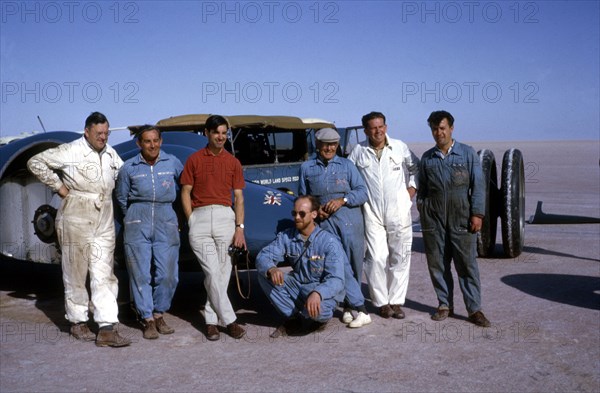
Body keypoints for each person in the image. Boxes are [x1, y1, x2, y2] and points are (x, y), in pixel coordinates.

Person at [27, 112, 130, 347]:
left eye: (106, 133)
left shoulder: (110, 153)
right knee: (75, 272)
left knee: (104, 272)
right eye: (98, 133)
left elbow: (122, 174)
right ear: (87, 132)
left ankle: (106, 327)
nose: (103, 137)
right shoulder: (70, 150)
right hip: (76, 213)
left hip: (104, 214)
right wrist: (60, 188)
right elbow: (35, 162)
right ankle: (78, 321)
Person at [417, 110, 491, 327]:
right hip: (434, 220)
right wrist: (424, 210)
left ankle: (474, 309)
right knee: (437, 264)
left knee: (467, 265)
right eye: (434, 129)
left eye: (442, 128)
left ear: (451, 128)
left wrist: (477, 214)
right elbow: (422, 190)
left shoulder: (467, 154)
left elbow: (478, 186)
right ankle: (443, 305)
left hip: (462, 218)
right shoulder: (427, 158)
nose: (438, 133)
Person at [180, 114, 247, 341]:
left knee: (221, 273)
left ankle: (210, 321)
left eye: (224, 133)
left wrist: (239, 227)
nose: (220, 137)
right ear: (207, 133)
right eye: (216, 132)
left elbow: (238, 198)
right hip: (199, 218)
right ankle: (230, 320)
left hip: (224, 218)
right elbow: (185, 192)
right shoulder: (194, 159)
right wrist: (191, 220)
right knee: (211, 271)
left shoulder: (233, 162)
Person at [348, 111, 418, 319]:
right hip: (372, 212)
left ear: (386, 127)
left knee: (401, 256)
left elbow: (416, 168)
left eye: (381, 126)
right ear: (366, 130)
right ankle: (381, 302)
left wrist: (411, 191)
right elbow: (348, 175)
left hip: (399, 211)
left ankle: (396, 302)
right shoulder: (358, 151)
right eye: (373, 127)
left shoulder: (399, 147)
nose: (378, 131)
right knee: (376, 257)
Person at [298, 128, 371, 328]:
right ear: (317, 145)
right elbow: (303, 199)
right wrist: (315, 211)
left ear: (337, 145)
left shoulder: (348, 166)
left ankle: (350, 306)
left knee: (354, 263)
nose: (329, 148)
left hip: (350, 222)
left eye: (333, 144)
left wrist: (343, 200)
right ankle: (354, 305)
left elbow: (362, 192)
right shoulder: (306, 168)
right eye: (325, 144)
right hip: (325, 225)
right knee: (336, 264)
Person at [115, 125, 183, 339]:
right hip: (137, 218)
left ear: (161, 141)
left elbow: (185, 188)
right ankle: (147, 318)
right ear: (139, 144)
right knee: (140, 273)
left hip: (166, 217)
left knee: (168, 274)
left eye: (155, 140)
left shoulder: (172, 162)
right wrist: (133, 217)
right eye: (147, 141)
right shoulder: (129, 168)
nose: (152, 145)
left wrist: (177, 217)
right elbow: (121, 197)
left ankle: (159, 312)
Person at [255, 195, 345, 337]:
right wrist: (271, 268)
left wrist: (318, 293)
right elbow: (263, 256)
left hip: (320, 290)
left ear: (314, 214)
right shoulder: (287, 237)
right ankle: (294, 317)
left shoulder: (329, 242)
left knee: (316, 311)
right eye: (294, 213)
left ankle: (317, 318)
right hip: (298, 285)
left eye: (302, 214)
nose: (297, 217)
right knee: (263, 275)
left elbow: (337, 279)